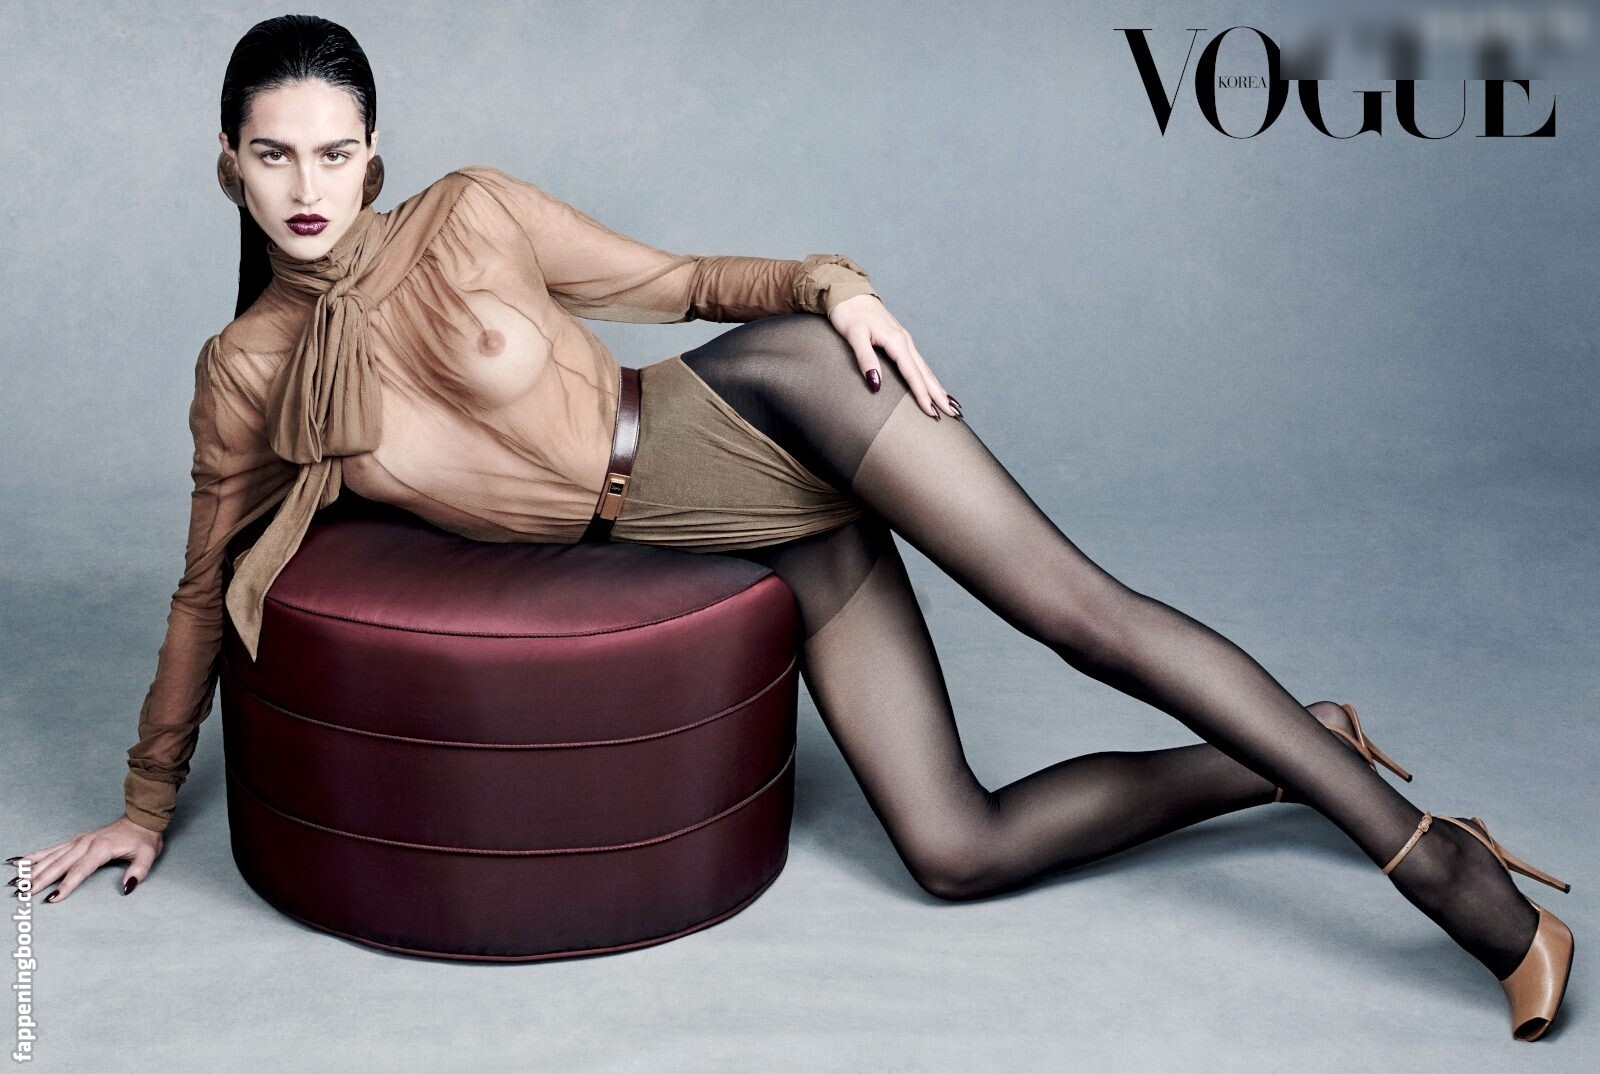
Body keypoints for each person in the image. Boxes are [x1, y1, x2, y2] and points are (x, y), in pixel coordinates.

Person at [7, 14, 1574, 1042]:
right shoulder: (249, 374)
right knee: (956, 847)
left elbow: (684, 283)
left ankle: (1462, 891)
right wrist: (145, 801)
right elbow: (204, 586)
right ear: (229, 165)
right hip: (712, 531)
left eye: (335, 150)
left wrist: (833, 286)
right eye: (273, 153)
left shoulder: (469, 214)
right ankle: (1300, 743)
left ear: (377, 155)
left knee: (1077, 615)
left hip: (770, 408)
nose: (308, 183)